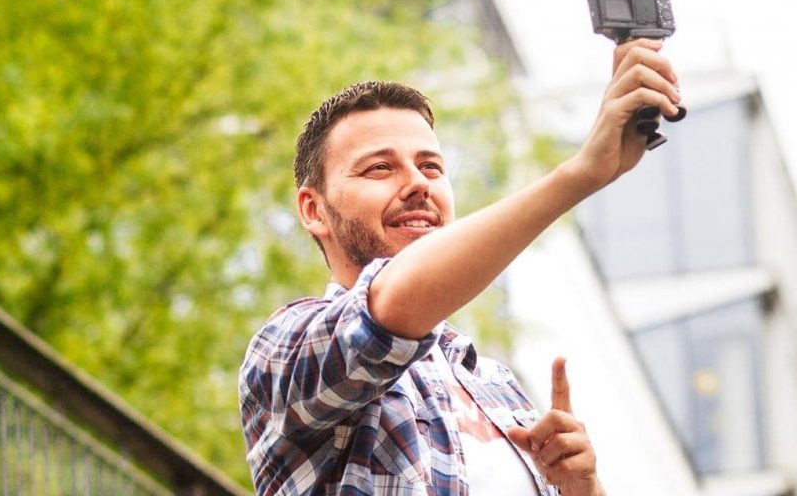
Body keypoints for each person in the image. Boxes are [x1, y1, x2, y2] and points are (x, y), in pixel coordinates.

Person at [239, 38, 682, 495]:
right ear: (313, 210)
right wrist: (583, 173)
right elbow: (390, 305)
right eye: (378, 169)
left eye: (431, 167)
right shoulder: (282, 348)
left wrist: (582, 489)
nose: (416, 183)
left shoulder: (496, 386)